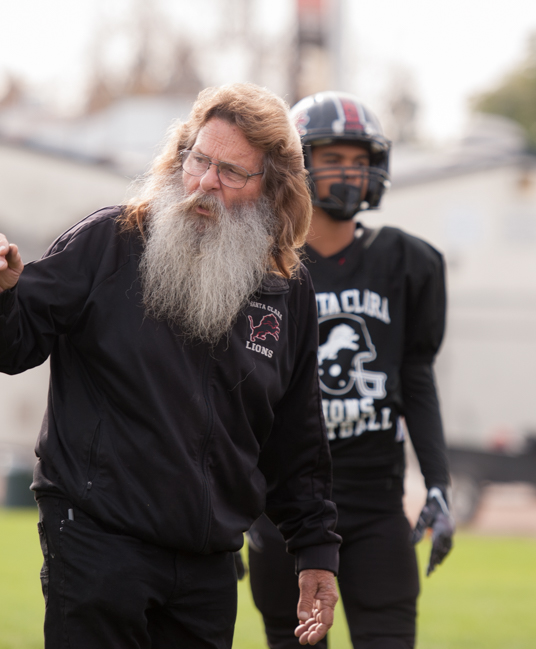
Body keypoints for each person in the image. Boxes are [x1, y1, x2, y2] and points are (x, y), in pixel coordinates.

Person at [0, 82, 341, 648]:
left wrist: (315, 550)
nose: (206, 181)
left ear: (272, 189)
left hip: (209, 564)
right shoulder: (109, 242)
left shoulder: (287, 289)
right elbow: (11, 346)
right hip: (96, 541)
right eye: (199, 159)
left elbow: (298, 437)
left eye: (231, 172)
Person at [247, 91, 454, 649]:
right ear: (296, 165)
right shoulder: (255, 269)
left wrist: (438, 482)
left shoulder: (408, 263)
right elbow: (231, 394)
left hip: (374, 501)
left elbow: (416, 377)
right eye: (333, 157)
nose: (350, 171)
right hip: (284, 505)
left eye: (359, 159)